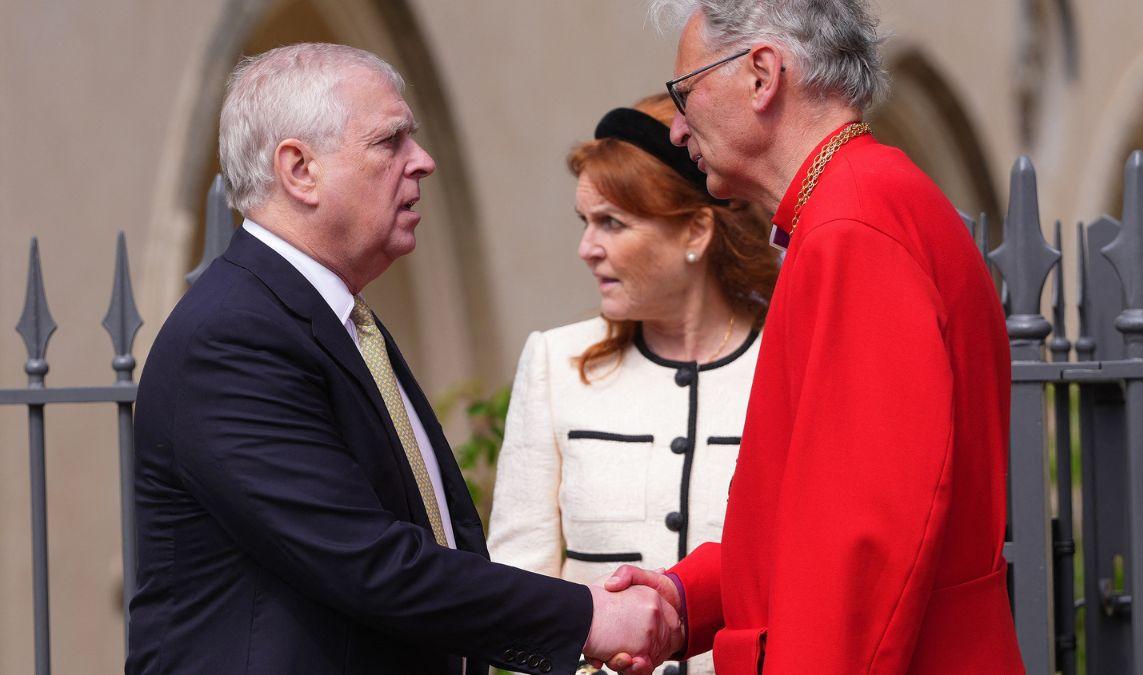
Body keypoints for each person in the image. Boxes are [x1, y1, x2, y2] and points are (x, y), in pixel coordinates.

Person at [127, 43, 681, 675]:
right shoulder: (232, 337)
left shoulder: (336, 319)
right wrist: (587, 617)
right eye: (390, 142)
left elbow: (431, 542)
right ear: (299, 169)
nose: (423, 161)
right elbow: (363, 559)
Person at [605, 2, 1027, 673]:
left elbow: (863, 548)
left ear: (762, 75)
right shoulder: (858, 203)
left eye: (685, 93)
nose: (679, 127)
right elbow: (813, 517)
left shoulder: (853, 224)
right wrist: (692, 599)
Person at [487, 93, 778, 675]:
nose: (587, 248)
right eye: (586, 222)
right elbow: (520, 581)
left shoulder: (783, 363)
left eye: (612, 223)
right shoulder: (555, 362)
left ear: (695, 230)